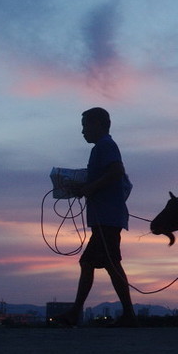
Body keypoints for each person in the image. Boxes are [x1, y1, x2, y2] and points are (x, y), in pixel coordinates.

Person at [55, 107, 137, 327]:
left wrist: (90, 189)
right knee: (111, 265)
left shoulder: (105, 146)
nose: (83, 131)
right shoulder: (102, 148)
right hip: (107, 217)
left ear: (98, 124)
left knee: (89, 262)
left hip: (108, 218)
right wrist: (82, 187)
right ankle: (128, 314)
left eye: (85, 126)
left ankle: (75, 312)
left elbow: (117, 171)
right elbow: (106, 177)